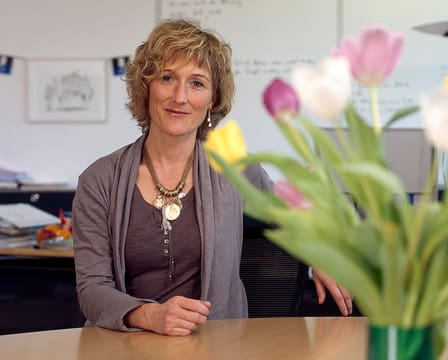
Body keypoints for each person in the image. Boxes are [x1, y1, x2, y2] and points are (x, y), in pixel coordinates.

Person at [72, 18, 352, 336]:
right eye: (167, 78)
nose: (180, 97)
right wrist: (149, 315)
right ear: (146, 87)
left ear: (213, 99)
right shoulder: (99, 181)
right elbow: (92, 290)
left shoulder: (235, 168)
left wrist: (321, 256)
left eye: (197, 83)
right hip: (124, 346)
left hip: (218, 344)